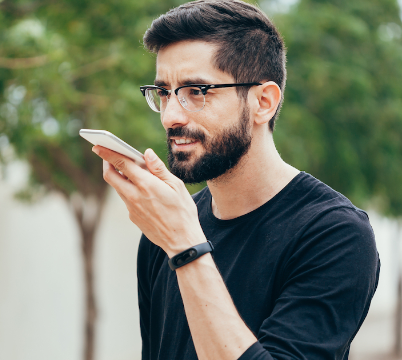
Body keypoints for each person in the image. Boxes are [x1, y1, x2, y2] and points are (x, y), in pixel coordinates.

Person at [91, 0, 380, 359]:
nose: (169, 116)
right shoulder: (164, 231)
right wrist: (176, 236)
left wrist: (185, 245)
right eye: (163, 92)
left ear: (263, 102)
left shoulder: (334, 234)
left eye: (196, 91)